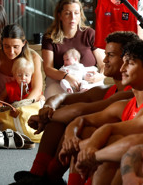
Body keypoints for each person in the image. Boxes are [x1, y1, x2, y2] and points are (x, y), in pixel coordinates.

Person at [13, 31, 138, 185]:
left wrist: (43, 117)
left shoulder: (128, 95)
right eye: (105, 54)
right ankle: (39, 175)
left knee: (80, 129)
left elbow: (79, 111)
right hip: (96, 145)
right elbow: (61, 97)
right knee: (65, 121)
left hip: (105, 150)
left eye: (110, 55)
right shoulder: (106, 91)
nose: (104, 60)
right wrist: (49, 107)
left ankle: (49, 177)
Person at [59, 39, 143, 184]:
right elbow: (82, 118)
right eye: (123, 62)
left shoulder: (123, 97)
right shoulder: (124, 105)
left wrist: (91, 152)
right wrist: (71, 138)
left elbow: (132, 142)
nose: (122, 69)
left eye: (129, 63)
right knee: (85, 133)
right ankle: (43, 174)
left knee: (113, 144)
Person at [41, 0, 104, 98]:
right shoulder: (49, 38)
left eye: (76, 13)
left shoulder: (90, 34)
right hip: (60, 81)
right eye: (67, 13)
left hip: (88, 80)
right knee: (53, 95)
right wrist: (67, 77)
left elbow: (103, 64)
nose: (72, 17)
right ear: (59, 16)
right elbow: (48, 68)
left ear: (81, 15)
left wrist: (100, 76)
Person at [0, 24, 43, 100]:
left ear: (24, 43)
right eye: (6, 46)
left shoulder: (33, 57)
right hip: (1, 100)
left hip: (26, 100)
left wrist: (22, 105)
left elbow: (37, 89)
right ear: (1, 43)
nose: (11, 52)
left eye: (15, 47)